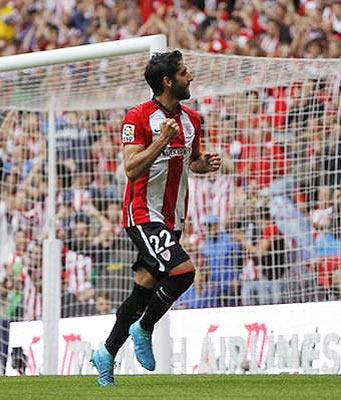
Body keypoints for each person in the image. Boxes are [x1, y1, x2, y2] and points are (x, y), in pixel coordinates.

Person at [91, 50, 221, 386]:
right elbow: (131, 168)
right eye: (184, 72)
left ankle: (106, 353)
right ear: (168, 81)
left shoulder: (192, 118)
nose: (190, 76)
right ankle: (144, 328)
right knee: (183, 272)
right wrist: (161, 141)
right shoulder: (137, 117)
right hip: (142, 213)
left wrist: (201, 165)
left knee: (142, 292)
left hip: (173, 218)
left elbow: (190, 160)